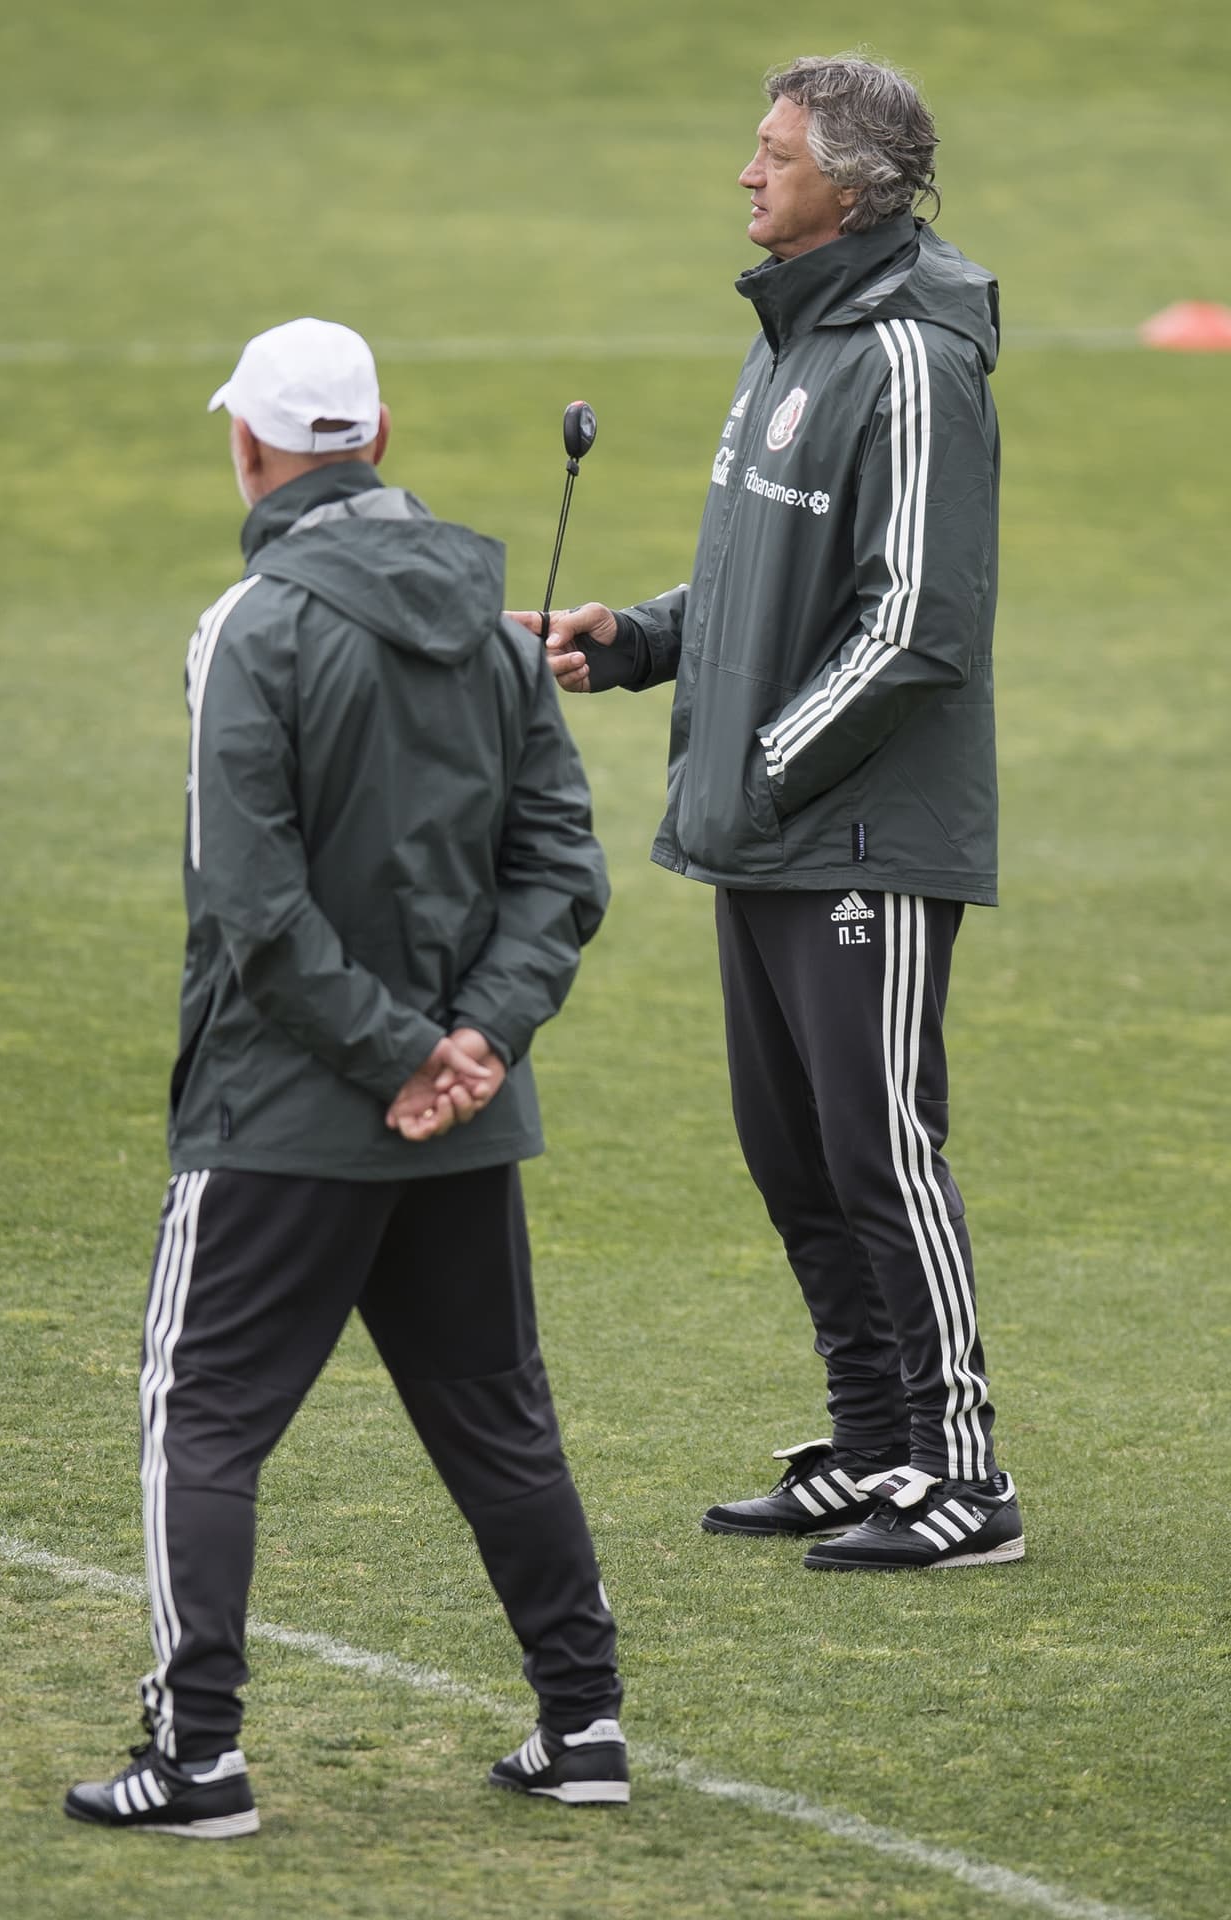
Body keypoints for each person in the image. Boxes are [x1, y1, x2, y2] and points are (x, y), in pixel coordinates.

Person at [64, 317, 629, 1837]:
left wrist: (403, 1054)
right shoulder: (502, 633)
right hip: (461, 1122)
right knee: (496, 1414)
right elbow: (558, 867)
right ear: (381, 440)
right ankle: (584, 1726)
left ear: (250, 451)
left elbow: (251, 906)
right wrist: (479, 1046)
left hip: (284, 1116)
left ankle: (199, 1759)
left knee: (202, 1415)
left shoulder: (249, 625)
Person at [513, 56, 1024, 1573]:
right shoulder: (795, 336)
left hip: (861, 835)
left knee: (882, 1155)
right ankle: (872, 1447)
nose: (746, 176)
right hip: (774, 821)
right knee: (790, 1152)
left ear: (850, 186)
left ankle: (968, 1474)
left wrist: (769, 760)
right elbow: (766, 587)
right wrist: (651, 641)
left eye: (772, 154)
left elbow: (918, 619)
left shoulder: (916, 357)